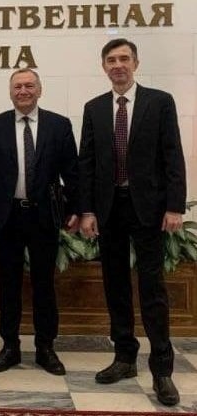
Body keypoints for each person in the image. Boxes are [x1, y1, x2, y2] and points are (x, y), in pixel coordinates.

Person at [78, 38, 186, 406]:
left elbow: (172, 154)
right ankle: (124, 357)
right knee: (116, 285)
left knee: (152, 289)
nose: (118, 65)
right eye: (111, 60)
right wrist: (87, 210)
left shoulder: (160, 102)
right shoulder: (94, 108)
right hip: (109, 209)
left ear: (136, 63)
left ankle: (162, 370)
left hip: (149, 209)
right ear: (104, 67)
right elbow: (87, 163)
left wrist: (175, 206)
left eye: (124, 58)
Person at [0, 68, 79, 376]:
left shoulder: (58, 125)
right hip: (8, 216)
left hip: (44, 216)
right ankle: (9, 347)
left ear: (39, 90)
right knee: (8, 285)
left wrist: (76, 209)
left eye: (29, 86)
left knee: (44, 284)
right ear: (10, 92)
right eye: (17, 87)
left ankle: (45, 348)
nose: (23, 91)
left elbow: (72, 171)